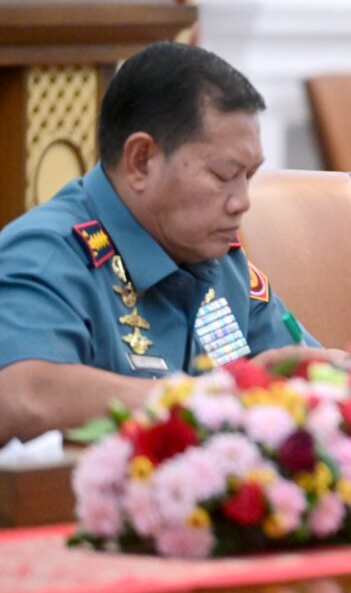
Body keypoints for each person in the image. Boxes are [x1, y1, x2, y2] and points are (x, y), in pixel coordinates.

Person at [0, 43, 330, 443]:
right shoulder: (48, 256)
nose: (243, 201)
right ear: (141, 161)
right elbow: (22, 395)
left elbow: (298, 367)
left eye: (249, 176)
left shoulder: (219, 259)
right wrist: (207, 401)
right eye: (225, 174)